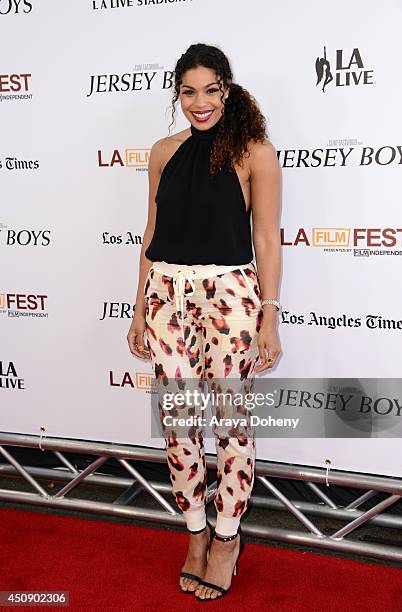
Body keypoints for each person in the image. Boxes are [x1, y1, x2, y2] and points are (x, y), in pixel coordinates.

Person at [127, 43, 281, 600]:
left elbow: (266, 237)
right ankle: (194, 531)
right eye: (188, 92)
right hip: (166, 294)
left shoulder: (255, 152)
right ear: (177, 94)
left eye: (210, 90)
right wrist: (138, 307)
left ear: (227, 89)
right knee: (178, 423)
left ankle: (227, 538)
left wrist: (269, 317)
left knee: (231, 422)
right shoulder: (164, 152)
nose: (199, 102)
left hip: (231, 296)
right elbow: (151, 233)